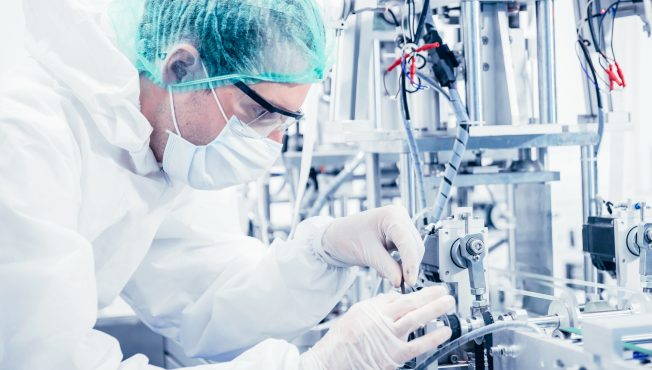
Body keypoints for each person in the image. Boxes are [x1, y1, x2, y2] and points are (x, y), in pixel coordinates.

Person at [0, 0, 454, 368]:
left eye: (287, 120)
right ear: (181, 67)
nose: (272, 142)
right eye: (260, 113)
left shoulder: (156, 141)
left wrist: (327, 251)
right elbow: (38, 358)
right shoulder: (26, 136)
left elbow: (205, 293)